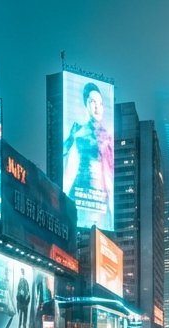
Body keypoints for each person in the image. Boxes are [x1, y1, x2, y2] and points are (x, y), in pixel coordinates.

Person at [60, 81, 113, 230]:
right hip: (80, 199)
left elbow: (109, 174)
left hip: (101, 202)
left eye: (100, 103)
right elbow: (67, 166)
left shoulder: (108, 138)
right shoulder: (79, 134)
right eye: (92, 102)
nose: (97, 107)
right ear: (86, 105)